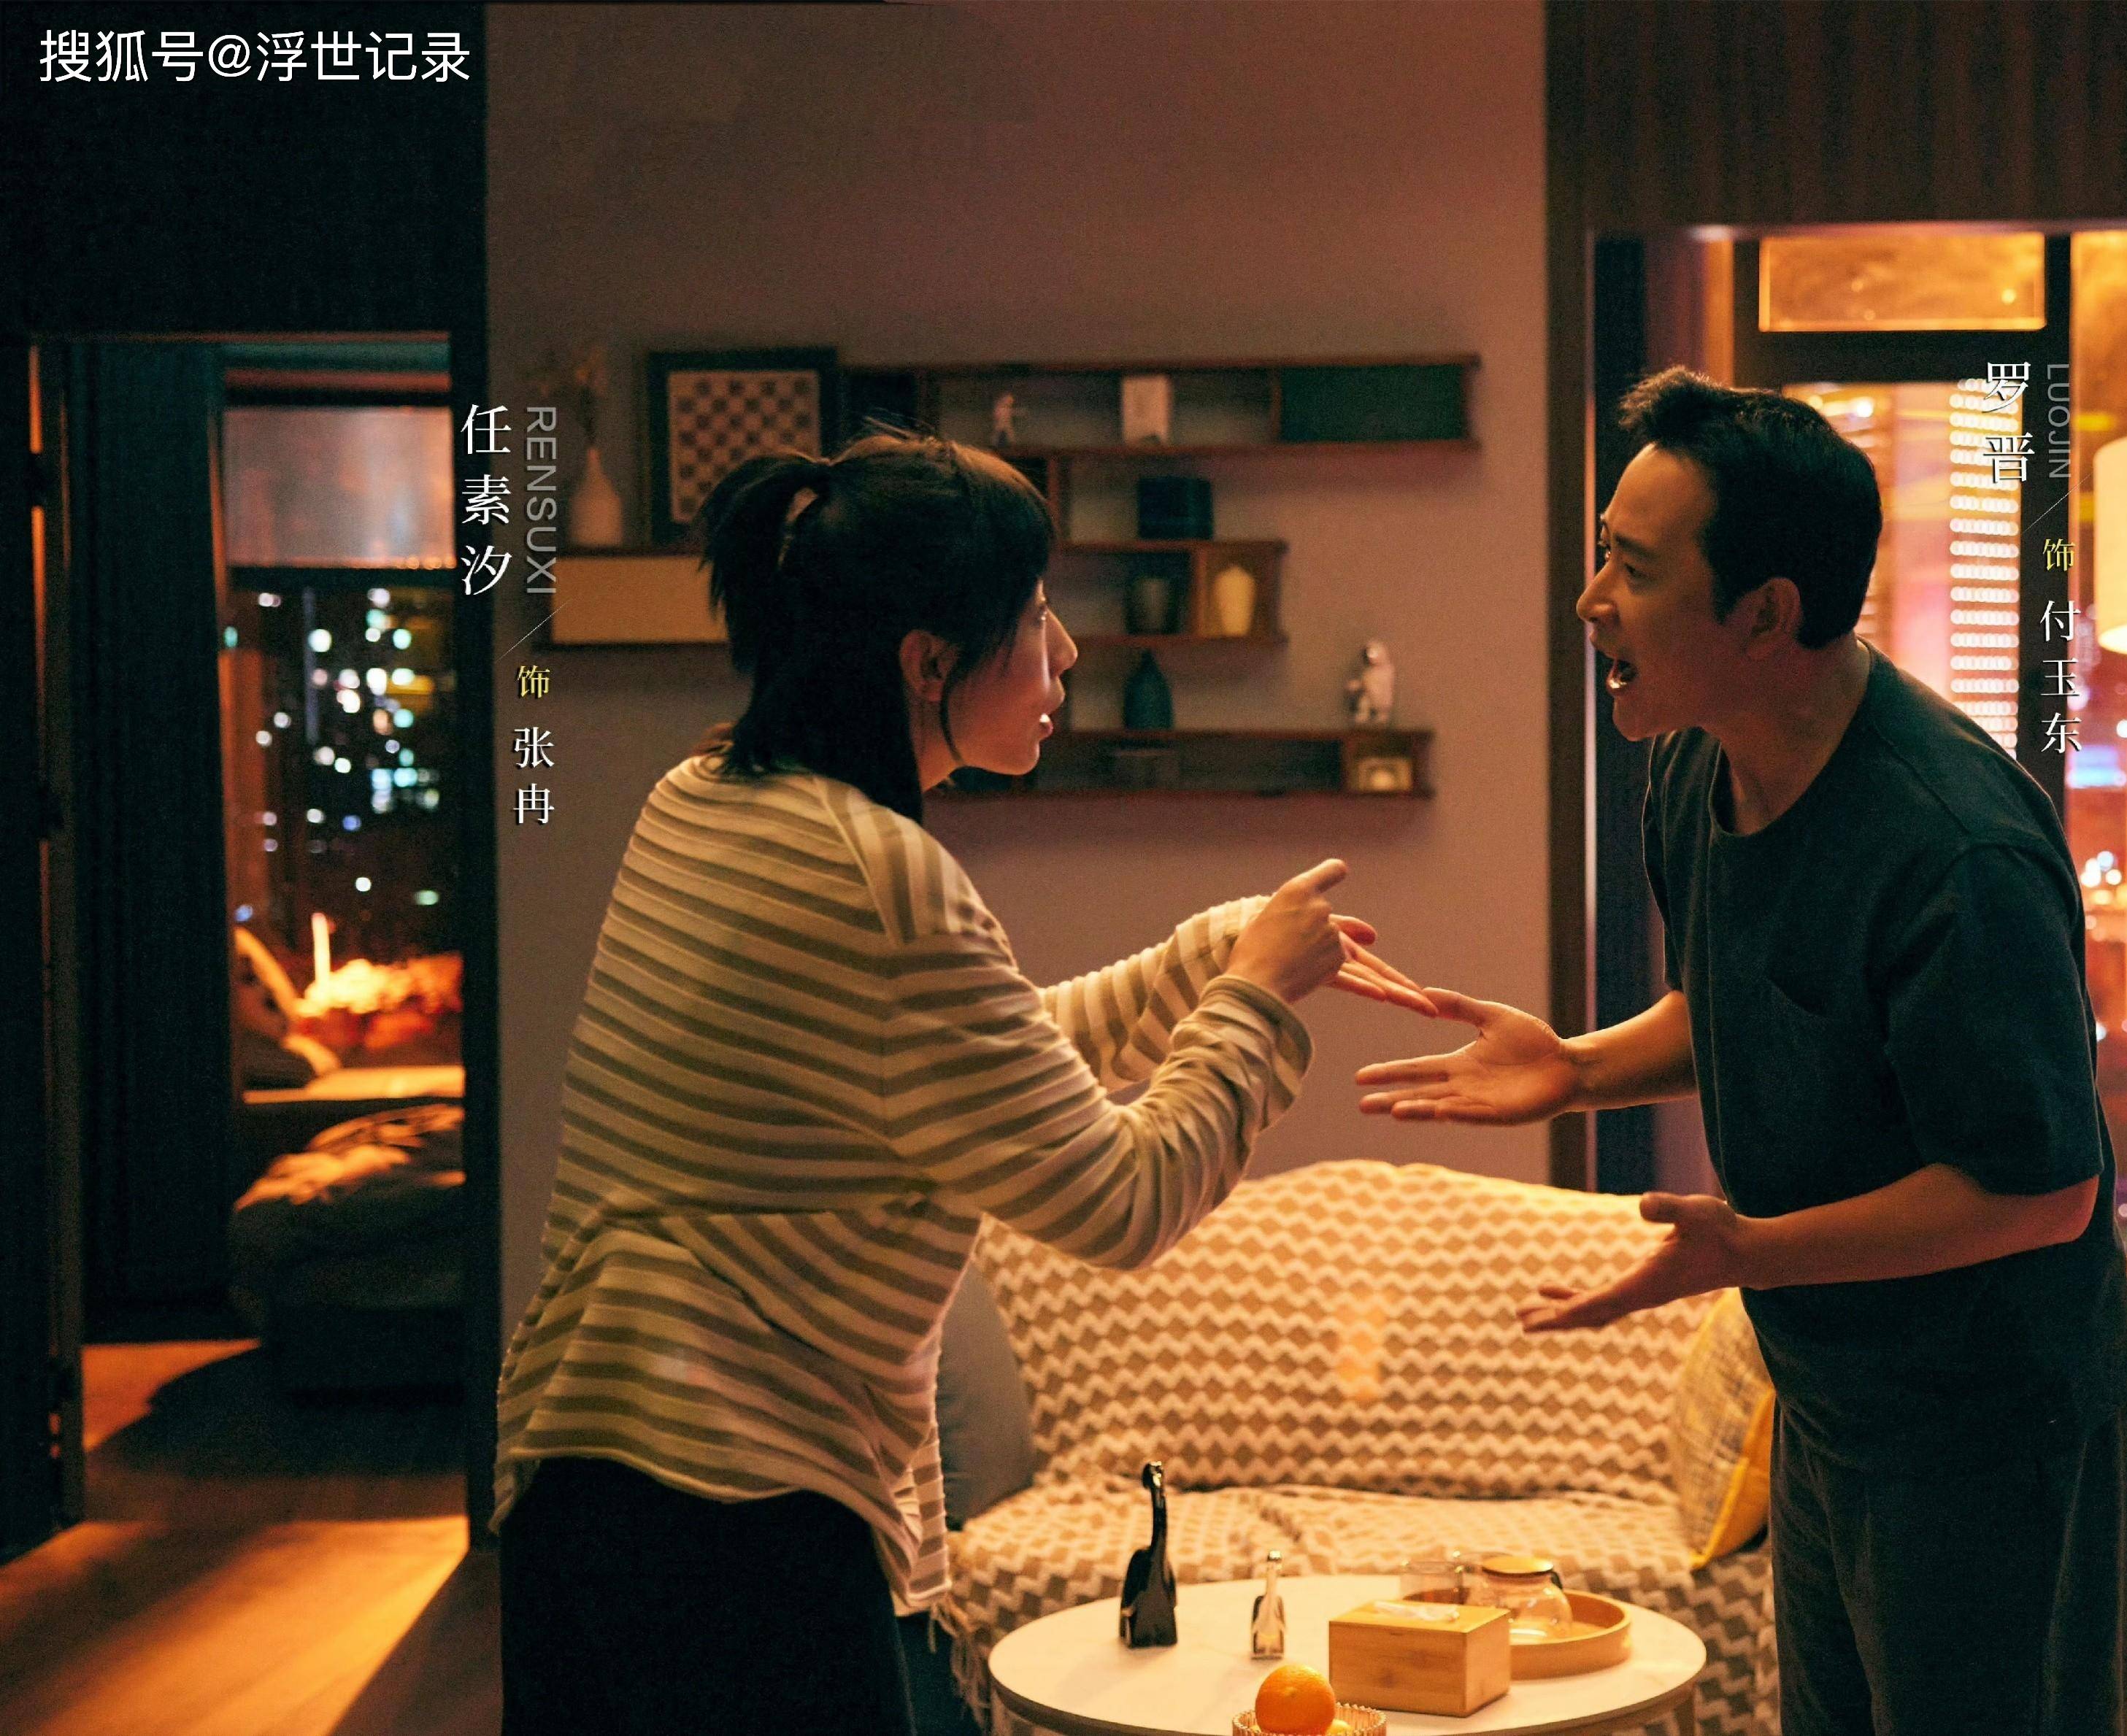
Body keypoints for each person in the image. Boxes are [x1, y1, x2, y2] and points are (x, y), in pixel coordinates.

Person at [493, 428, 1433, 1736]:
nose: (1067, 652)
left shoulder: (704, 799)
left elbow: (962, 1073)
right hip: (735, 1522)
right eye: (1034, 615)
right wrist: (1254, 1004)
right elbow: (1122, 1198)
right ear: (927, 662)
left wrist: (1201, 966)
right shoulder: (884, 880)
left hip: (592, 1481)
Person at [1356, 369, 2127, 1736]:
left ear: (1766, 614)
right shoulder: (1693, 757)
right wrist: (1580, 1069)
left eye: (1634, 568)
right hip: (1831, 1398)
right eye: (1602, 552)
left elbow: (2037, 1191)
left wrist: (1751, 1251)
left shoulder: (1952, 848)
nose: (1591, 599)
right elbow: (1750, 997)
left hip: (1992, 1426)